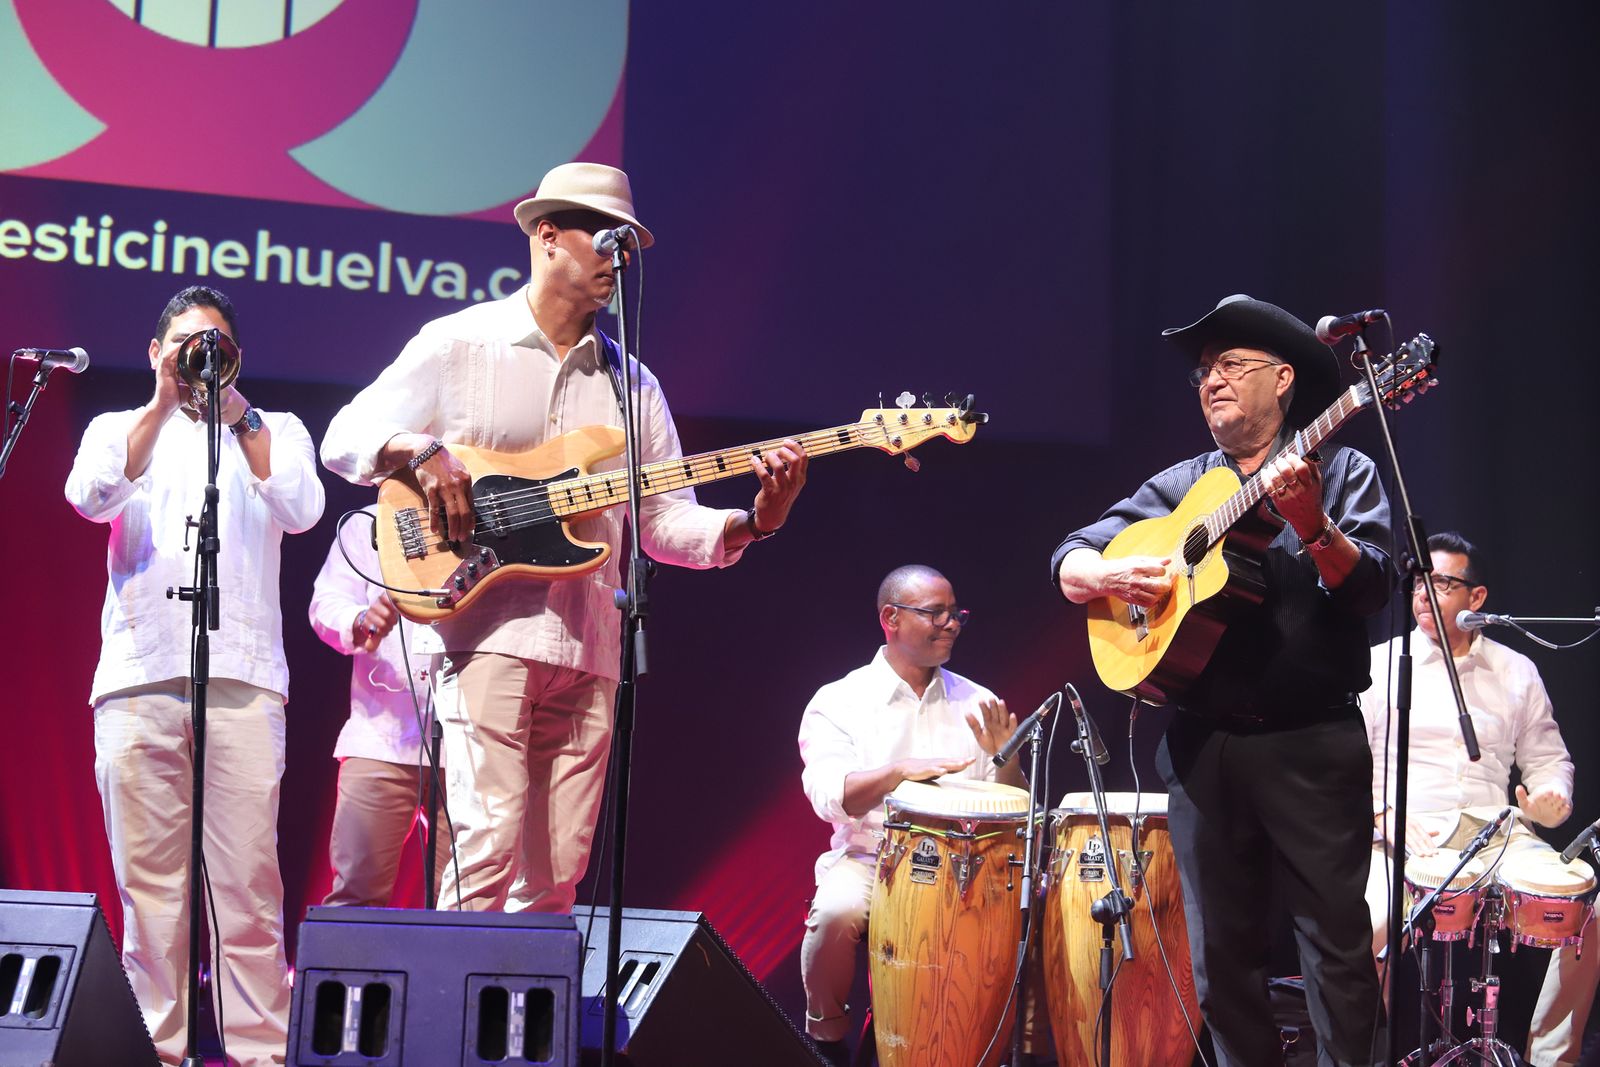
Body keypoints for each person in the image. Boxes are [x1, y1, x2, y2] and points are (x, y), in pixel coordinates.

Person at [320, 161, 808, 914]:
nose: (619, 257)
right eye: (604, 237)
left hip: (589, 644)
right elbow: (344, 435)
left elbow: (662, 521)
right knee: (482, 850)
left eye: (627, 244)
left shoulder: (632, 383)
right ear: (548, 235)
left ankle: (520, 1000)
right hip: (485, 634)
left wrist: (757, 519)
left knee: (555, 878)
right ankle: (455, 995)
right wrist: (418, 449)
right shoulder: (460, 343)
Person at [1052, 295, 1393, 1066]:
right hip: (1204, 746)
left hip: (1311, 744)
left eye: (1230, 365)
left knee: (1336, 953)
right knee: (1220, 964)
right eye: (1203, 371)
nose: (1210, 380)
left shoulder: (1343, 470)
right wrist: (1107, 573)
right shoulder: (1184, 484)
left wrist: (1314, 526)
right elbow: (1070, 558)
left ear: (1283, 378)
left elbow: (1371, 589)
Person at [64, 285, 324, 1066]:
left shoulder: (274, 429)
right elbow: (89, 496)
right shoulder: (118, 427)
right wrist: (160, 401)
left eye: (215, 344)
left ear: (237, 356)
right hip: (139, 680)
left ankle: (260, 1054)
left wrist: (235, 411)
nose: (199, 356)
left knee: (248, 887)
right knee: (149, 894)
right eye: (184, 343)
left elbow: (303, 507)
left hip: (242, 682)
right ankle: (157, 1052)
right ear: (156, 352)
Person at [1362, 531, 1598, 1067]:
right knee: (1365, 922)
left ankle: (1550, 1058)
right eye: (1418, 582)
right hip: (1404, 830)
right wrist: (1381, 813)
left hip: (1497, 832)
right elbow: (1346, 763)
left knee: (1591, 912)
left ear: (1477, 597)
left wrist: (1551, 796)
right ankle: (1368, 1054)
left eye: (1442, 583)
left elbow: (1549, 759)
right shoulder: (1381, 665)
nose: (1424, 594)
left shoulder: (1516, 670)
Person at [797, 564, 1021, 1066]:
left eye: (955, 614)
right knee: (834, 914)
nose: (951, 624)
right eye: (935, 613)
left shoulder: (978, 701)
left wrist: (1008, 761)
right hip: (872, 857)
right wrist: (898, 772)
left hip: (964, 864)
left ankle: (988, 1043)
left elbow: (1014, 811)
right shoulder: (839, 701)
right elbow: (831, 795)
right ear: (891, 618)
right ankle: (826, 1041)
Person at [308, 526, 450, 907]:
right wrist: (361, 620)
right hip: (380, 735)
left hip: (468, 742)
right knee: (356, 896)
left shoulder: (487, 509)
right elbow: (325, 602)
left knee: (464, 905)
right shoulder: (367, 523)